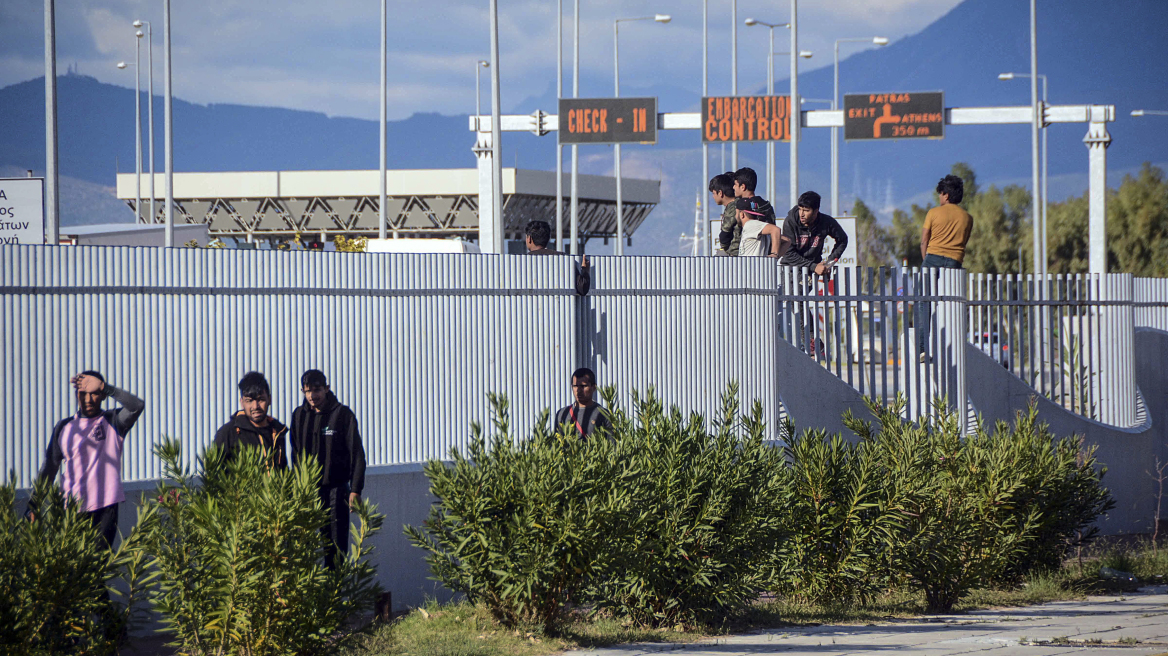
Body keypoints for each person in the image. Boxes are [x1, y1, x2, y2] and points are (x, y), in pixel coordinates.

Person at [29, 371, 145, 549]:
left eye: (94, 393)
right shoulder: (64, 427)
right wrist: (34, 504)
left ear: (103, 396)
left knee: (96, 566)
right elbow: (49, 468)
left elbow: (136, 406)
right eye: (83, 393)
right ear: (77, 395)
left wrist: (106, 387)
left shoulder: (113, 421)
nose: (88, 399)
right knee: (70, 568)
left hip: (105, 508)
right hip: (70, 510)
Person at [291, 370, 367, 567]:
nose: (312, 396)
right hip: (307, 492)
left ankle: (334, 593)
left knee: (335, 547)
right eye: (307, 391)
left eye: (316, 390)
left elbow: (357, 454)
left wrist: (355, 489)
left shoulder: (342, 415)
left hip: (335, 490)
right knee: (302, 546)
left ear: (326, 389)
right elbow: (295, 454)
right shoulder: (299, 416)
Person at [916, 175, 974, 362]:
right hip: (955, 262)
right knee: (953, 305)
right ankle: (955, 347)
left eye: (940, 194)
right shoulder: (967, 218)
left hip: (932, 258)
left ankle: (923, 348)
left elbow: (924, 241)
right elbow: (964, 242)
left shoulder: (933, 213)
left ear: (946, 195)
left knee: (923, 303)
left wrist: (927, 261)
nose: (939, 198)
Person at [213, 371, 288, 470]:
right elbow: (216, 474)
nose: (255, 406)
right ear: (242, 402)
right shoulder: (229, 433)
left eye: (261, 400)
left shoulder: (278, 432)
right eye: (249, 401)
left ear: (269, 399)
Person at [779, 191, 848, 275]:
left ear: (816, 211)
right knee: (794, 288)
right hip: (791, 270)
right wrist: (813, 266)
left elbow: (842, 239)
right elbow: (788, 253)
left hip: (811, 272)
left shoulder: (826, 222)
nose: (802, 214)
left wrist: (829, 262)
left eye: (806, 210)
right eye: (800, 209)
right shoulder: (790, 222)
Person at [524, 220, 591, 296]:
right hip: (559, 306)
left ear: (529, 239)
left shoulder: (521, 261)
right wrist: (585, 270)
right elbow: (582, 289)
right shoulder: (563, 258)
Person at [554, 367, 612, 439]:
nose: (578, 390)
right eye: (575, 386)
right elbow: (556, 444)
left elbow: (611, 445)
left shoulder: (603, 414)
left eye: (583, 386)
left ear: (593, 387)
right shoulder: (562, 414)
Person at [712, 172, 740, 256]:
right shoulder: (739, 204)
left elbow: (725, 234)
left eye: (713, 193)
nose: (713, 196)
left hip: (734, 253)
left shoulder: (733, 207)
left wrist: (725, 247)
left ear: (720, 193)